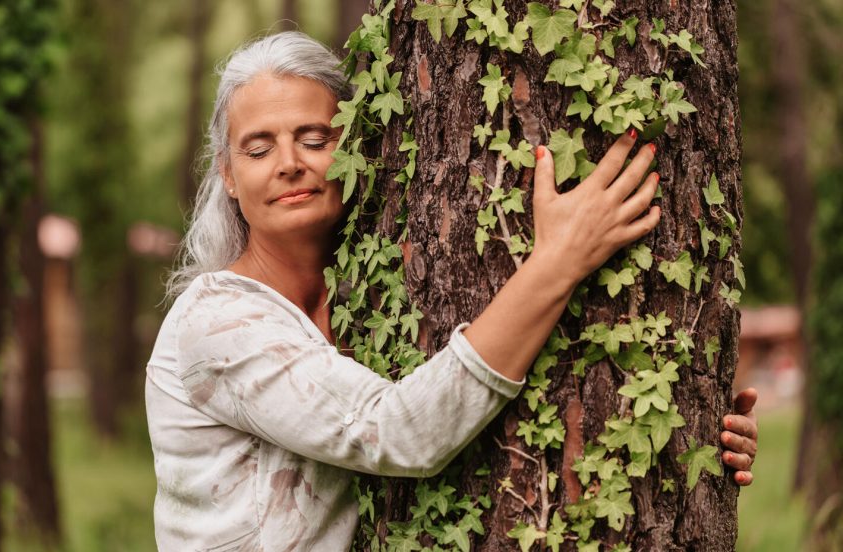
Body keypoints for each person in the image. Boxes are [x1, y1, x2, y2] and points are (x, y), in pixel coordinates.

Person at [145, 31, 759, 551]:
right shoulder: (217, 322)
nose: (289, 163)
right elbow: (397, 432)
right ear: (227, 174)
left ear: (354, 149)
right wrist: (558, 261)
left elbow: (454, 389)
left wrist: (681, 426)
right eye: (258, 148)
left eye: (314, 139)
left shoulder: (371, 295)